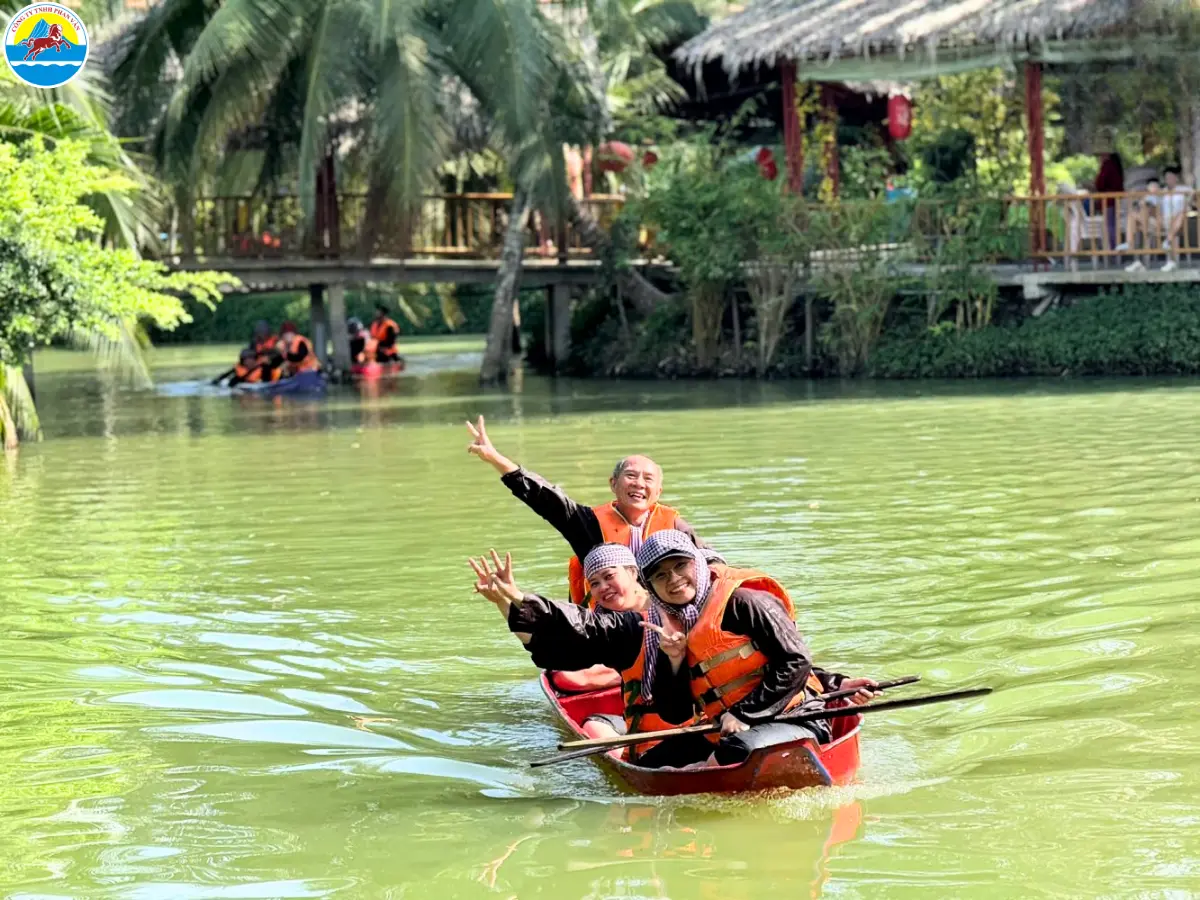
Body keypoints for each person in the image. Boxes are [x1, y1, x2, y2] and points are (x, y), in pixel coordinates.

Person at [636, 529, 878, 766]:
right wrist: (674, 660)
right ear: (651, 587)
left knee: (738, 750)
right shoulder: (675, 627)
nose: (674, 579)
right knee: (649, 763)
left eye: (680, 565)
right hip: (727, 731)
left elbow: (796, 661)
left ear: (697, 562)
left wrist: (744, 713)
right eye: (660, 576)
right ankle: (706, 769)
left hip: (795, 720)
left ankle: (706, 770)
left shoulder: (745, 602)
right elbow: (675, 714)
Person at [470, 544, 708, 766]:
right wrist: (504, 600)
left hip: (706, 726)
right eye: (594, 583)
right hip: (658, 731)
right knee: (595, 722)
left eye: (609, 576)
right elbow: (546, 648)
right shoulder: (615, 627)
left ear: (633, 572)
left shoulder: (686, 604)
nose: (602, 587)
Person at [465, 414, 706, 605]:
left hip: (662, 613)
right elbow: (544, 497)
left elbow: (710, 564)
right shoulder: (588, 523)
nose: (639, 484)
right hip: (606, 623)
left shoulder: (675, 526)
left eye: (648, 479)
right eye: (630, 476)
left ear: (659, 492)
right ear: (613, 484)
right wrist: (495, 458)